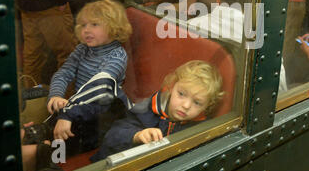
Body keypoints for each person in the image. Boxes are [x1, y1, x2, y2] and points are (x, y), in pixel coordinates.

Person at [23, 0, 133, 159]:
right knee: (44, 131)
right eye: (83, 25)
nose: (86, 30)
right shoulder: (82, 49)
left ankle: (49, 155)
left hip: (101, 115)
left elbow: (100, 87)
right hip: (79, 109)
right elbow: (63, 73)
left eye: (94, 25)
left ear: (114, 27)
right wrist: (56, 95)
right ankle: (42, 142)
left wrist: (69, 113)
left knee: (59, 141)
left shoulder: (117, 56)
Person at [91, 60, 224, 162]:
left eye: (197, 102)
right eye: (182, 94)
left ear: (207, 106)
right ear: (171, 87)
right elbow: (112, 137)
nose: (186, 105)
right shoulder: (148, 108)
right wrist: (136, 135)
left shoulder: (202, 127)